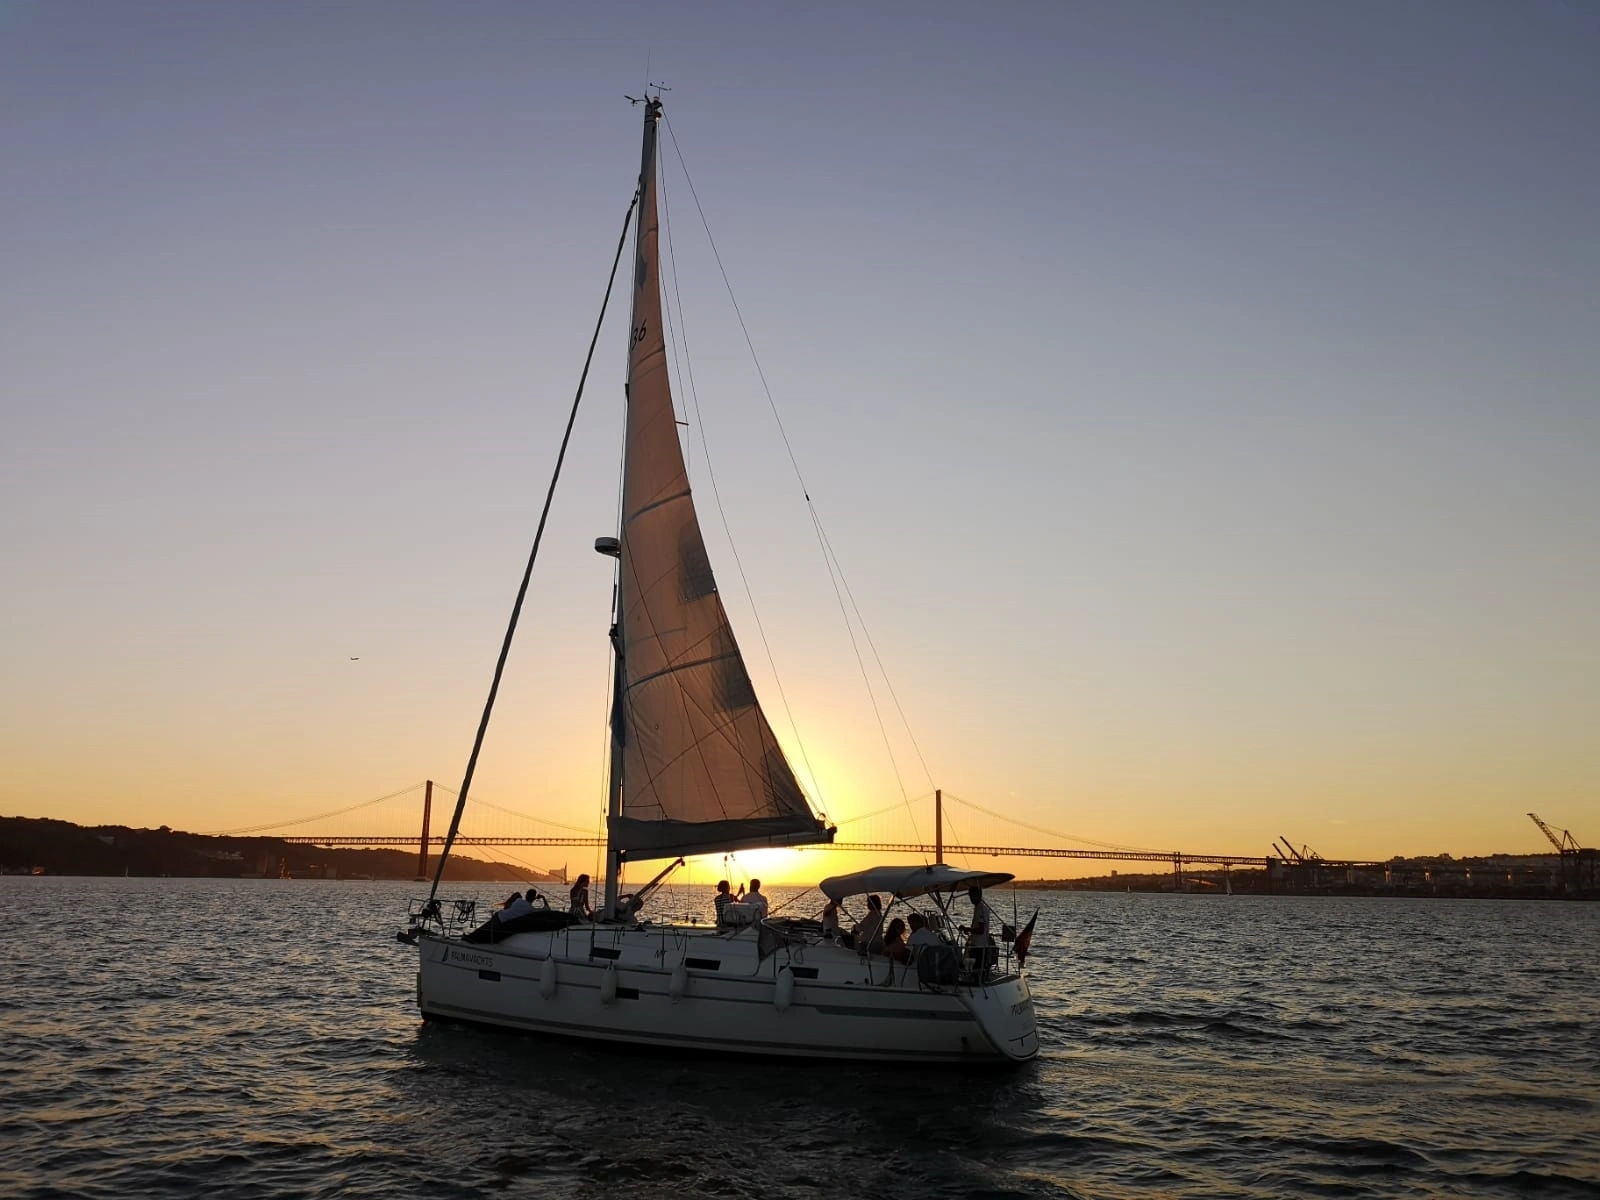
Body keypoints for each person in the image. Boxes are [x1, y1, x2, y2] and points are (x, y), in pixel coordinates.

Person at [966, 885, 998, 973]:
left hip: (978, 946)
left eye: (972, 896)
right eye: (970, 896)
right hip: (979, 944)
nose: (971, 898)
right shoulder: (980, 907)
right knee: (977, 969)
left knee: (977, 969)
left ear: (978, 895)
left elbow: (981, 930)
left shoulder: (980, 908)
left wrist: (967, 929)